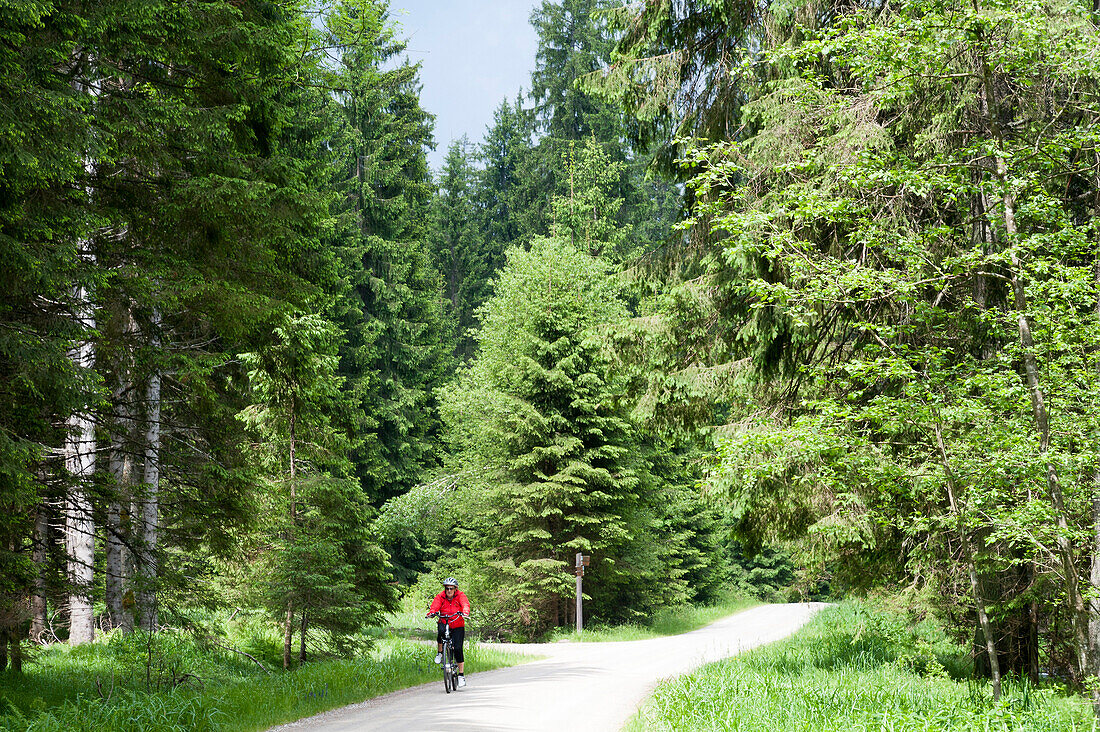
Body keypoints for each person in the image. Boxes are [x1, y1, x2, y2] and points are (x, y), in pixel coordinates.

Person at [426, 577, 471, 688]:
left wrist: (465, 612)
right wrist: (432, 612)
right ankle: (440, 653)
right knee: (441, 632)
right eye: (447, 588)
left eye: (451, 588)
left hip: (457, 623)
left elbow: (465, 604)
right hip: (444, 620)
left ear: (455, 589)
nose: (449, 591)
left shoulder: (460, 595)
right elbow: (435, 605)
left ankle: (461, 675)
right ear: (445, 589)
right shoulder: (440, 596)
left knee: (458, 648)